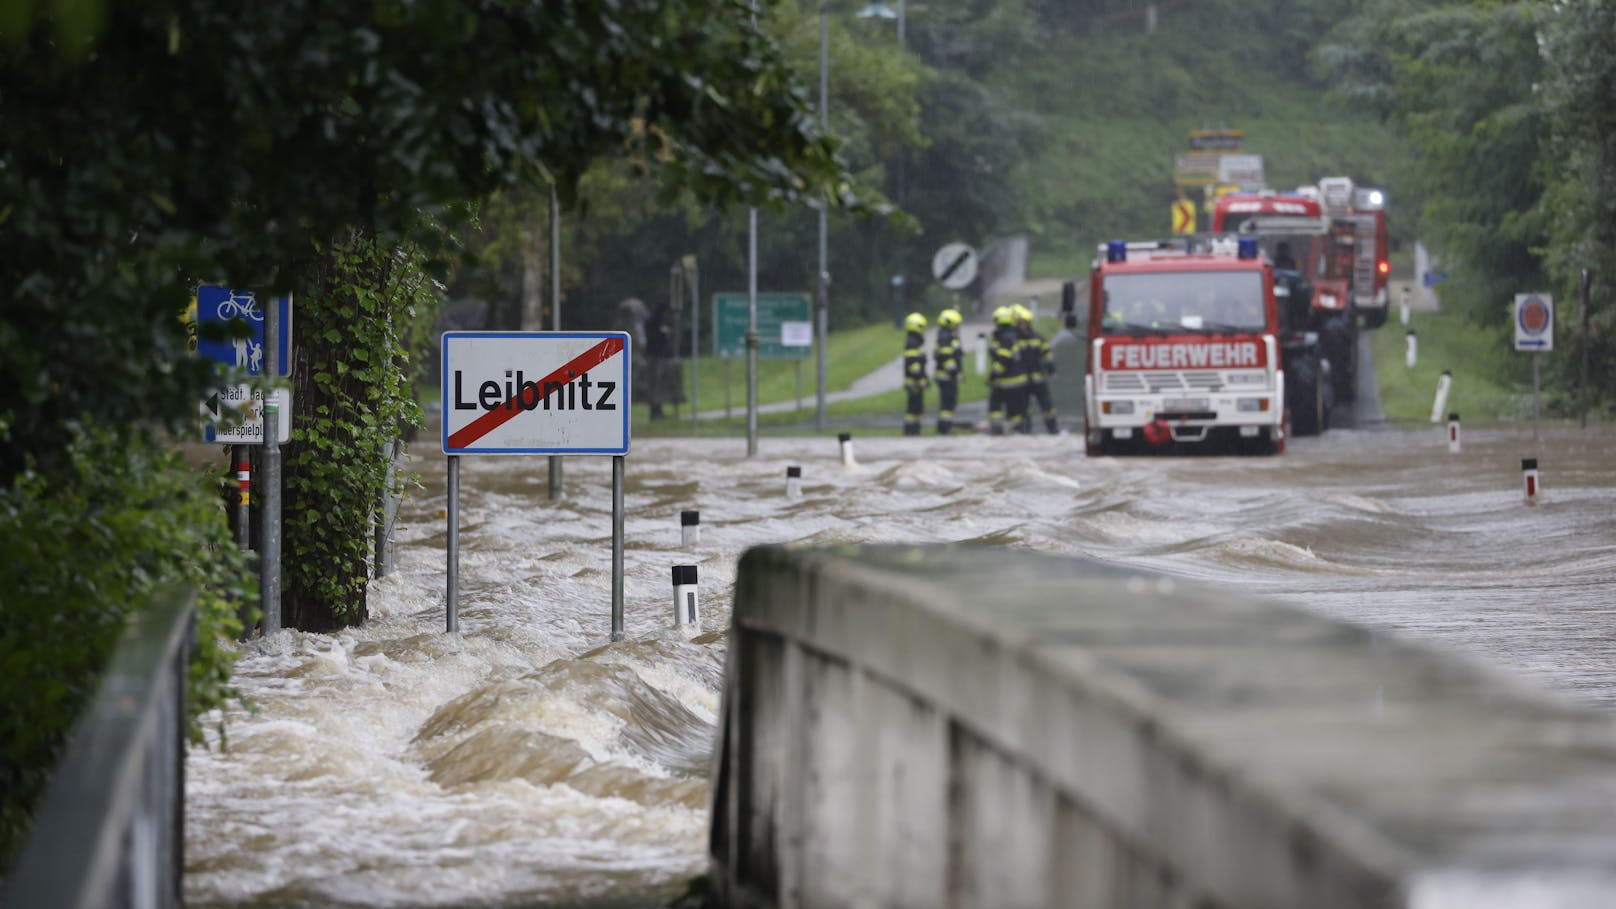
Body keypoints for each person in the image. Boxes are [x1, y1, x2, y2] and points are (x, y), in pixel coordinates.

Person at [1015, 304, 1059, 434]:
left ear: (1028, 323)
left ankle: (1053, 430)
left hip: (1038, 378)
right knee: (1024, 408)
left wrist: (1052, 371)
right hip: (1023, 380)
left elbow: (1047, 356)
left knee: (1047, 406)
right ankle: (1025, 432)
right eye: (1020, 323)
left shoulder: (1038, 338)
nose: (1022, 325)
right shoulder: (1015, 339)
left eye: (1024, 323)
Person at [988, 306, 1027, 435]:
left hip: (1005, 381)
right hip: (1019, 381)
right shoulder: (1014, 335)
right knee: (1016, 409)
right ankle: (1018, 431)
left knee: (995, 405)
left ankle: (997, 429)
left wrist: (993, 375)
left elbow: (1003, 360)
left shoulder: (1003, 337)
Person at [931, 308, 963, 434]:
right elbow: (946, 358)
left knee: (948, 402)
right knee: (947, 402)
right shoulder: (946, 337)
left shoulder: (946, 336)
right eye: (956, 324)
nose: (957, 327)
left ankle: (945, 426)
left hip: (947, 376)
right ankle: (944, 428)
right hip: (947, 377)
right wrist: (954, 372)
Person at [902, 311, 929, 436]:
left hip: (914, 381)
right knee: (913, 407)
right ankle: (910, 430)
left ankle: (914, 429)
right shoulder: (913, 342)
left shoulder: (913, 341)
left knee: (916, 406)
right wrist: (919, 379)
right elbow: (913, 364)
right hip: (914, 382)